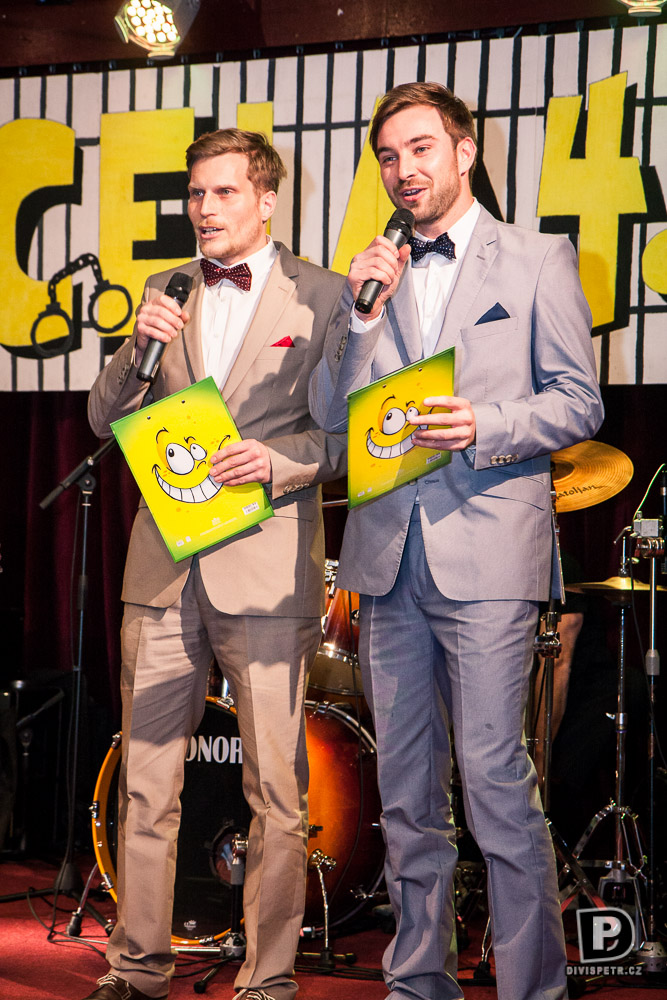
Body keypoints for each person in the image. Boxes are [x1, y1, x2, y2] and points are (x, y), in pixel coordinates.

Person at [309, 82, 604, 1000]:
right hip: (384, 561)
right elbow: (331, 419)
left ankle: (531, 988)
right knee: (404, 796)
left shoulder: (537, 258)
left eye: (420, 148)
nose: (402, 170)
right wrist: (361, 317)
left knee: (494, 785)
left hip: (488, 556)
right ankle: (417, 982)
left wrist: (486, 422)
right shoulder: (368, 276)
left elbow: (578, 401)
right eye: (387, 156)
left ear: (465, 151)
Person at [85, 128, 346, 1000]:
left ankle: (266, 980)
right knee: (145, 782)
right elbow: (102, 419)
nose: (203, 208)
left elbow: (347, 436)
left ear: (266, 200)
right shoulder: (165, 288)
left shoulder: (325, 296)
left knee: (276, 790)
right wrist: (137, 347)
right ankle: (136, 967)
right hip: (163, 569)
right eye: (195, 194)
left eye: (223, 192)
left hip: (266, 572)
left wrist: (280, 462)